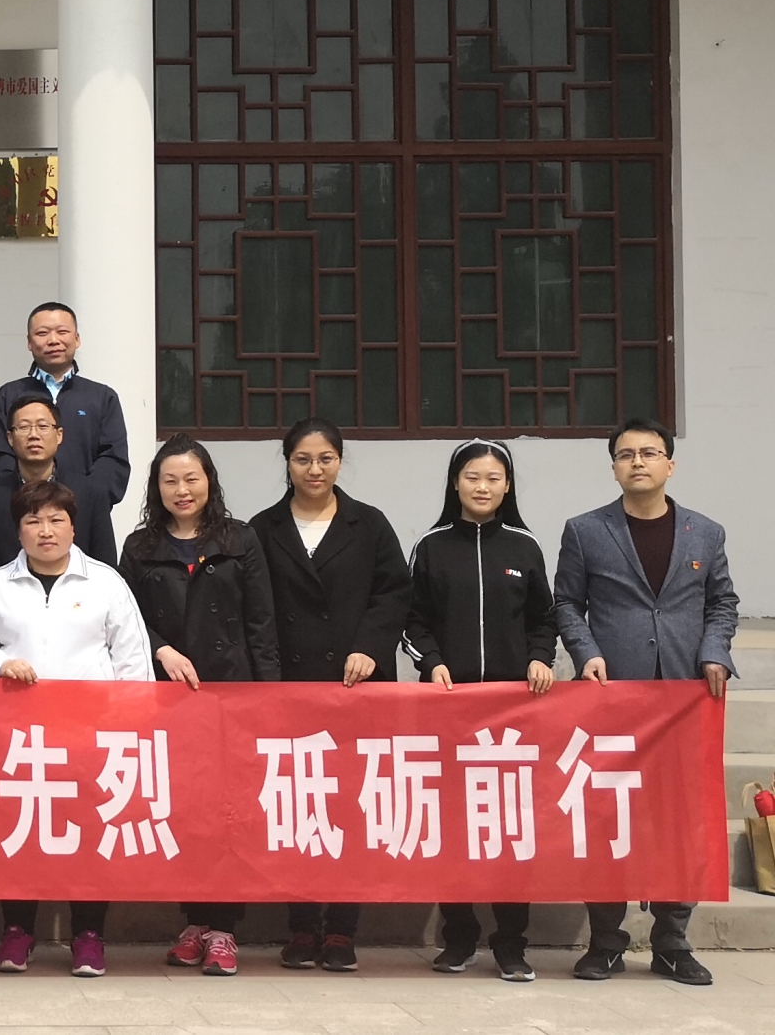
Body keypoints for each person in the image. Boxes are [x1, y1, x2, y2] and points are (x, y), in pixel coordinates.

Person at [556, 417, 738, 986]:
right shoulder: (586, 530)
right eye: (627, 454)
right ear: (614, 466)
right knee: (607, 816)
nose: (638, 462)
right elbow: (566, 604)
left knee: (680, 820)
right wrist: (586, 652)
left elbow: (722, 603)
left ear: (670, 465)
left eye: (650, 453)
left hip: (685, 695)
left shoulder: (706, 533)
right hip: (612, 697)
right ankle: (606, 941)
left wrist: (714, 653)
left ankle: (671, 940)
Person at [0, 480, 151, 978]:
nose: (45, 531)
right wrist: (0, 663)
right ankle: (17, 931)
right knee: (19, 831)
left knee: (90, 833)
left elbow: (132, 659)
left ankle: (88, 935)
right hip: (19, 739)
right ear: (18, 530)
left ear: (73, 526)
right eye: (33, 521)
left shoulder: (106, 583)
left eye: (55, 520)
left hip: (92, 735)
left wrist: (129, 727)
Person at [249, 417, 411, 973]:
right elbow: (256, 607)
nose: (314, 469)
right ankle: (300, 925)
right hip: (291, 688)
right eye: (303, 459)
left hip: (356, 685)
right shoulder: (263, 528)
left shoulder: (370, 524)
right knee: (299, 805)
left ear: (340, 461)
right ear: (287, 463)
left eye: (325, 459)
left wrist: (370, 647)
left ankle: (342, 928)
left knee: (351, 806)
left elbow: (394, 594)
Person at [118, 434, 278, 977]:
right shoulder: (139, 547)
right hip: (169, 700)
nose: (182, 490)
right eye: (170, 480)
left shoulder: (239, 539)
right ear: (156, 488)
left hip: (232, 694)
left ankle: (224, 928)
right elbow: (127, 619)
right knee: (184, 812)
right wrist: (160, 649)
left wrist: (268, 698)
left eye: (191, 478)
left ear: (209, 481)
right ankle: (194, 921)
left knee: (227, 815)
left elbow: (261, 622)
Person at [401, 439, 556, 984]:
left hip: (514, 715)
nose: (482, 487)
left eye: (493, 478)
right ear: (455, 483)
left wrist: (539, 658)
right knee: (455, 826)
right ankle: (459, 937)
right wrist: (433, 662)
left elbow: (544, 618)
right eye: (472, 477)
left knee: (510, 828)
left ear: (507, 486)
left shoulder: (524, 547)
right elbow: (412, 619)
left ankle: (511, 944)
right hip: (449, 710)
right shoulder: (431, 546)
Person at [0, 305, 127, 541]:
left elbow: (113, 460)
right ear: (29, 342)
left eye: (62, 332)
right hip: (21, 519)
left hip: (83, 517)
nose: (53, 340)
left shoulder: (102, 397)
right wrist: (27, 502)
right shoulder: (8, 396)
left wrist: (84, 502)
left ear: (77, 339)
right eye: (42, 333)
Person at [0, 393, 115, 590]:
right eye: (24, 427)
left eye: (43, 426)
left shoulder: (91, 495)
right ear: (10, 438)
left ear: (59, 434)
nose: (33, 435)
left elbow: (107, 571)